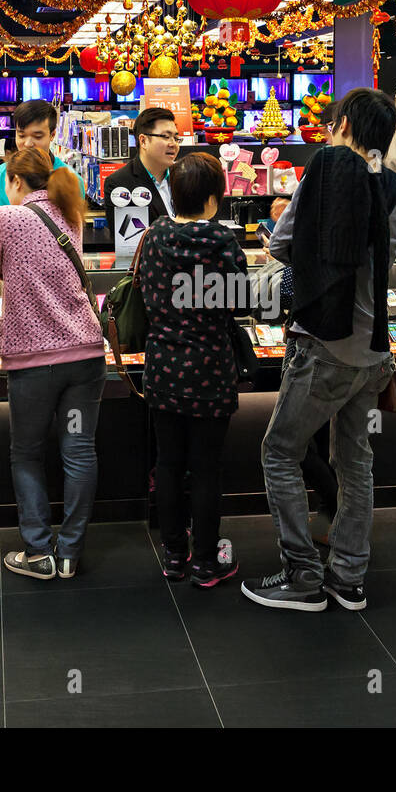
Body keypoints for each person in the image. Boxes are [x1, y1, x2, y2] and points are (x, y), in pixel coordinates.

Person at [240, 88, 396, 614]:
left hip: (323, 346)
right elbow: (389, 252)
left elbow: (280, 243)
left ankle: (302, 575)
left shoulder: (325, 172)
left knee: (279, 451)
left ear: (346, 128)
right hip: (373, 348)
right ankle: (348, 578)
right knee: (354, 458)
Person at [0, 147, 105, 581]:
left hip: (33, 361)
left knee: (27, 452)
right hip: (85, 354)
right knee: (78, 449)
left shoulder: (6, 217)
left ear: (15, 182)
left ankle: (38, 553)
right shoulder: (70, 213)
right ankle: (70, 552)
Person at [139, 152, 247, 587]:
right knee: (205, 468)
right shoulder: (223, 242)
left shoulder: (154, 236)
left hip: (163, 366)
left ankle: (172, 555)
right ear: (212, 198)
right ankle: (205, 560)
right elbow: (239, 303)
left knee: (167, 464)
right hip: (210, 367)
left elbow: (146, 296)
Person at [0, 99, 72, 297]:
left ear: (52, 135)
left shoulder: (69, 179)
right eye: (21, 135)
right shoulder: (0, 175)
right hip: (6, 284)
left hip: (54, 287)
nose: (27, 143)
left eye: (37, 136)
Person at [103, 106, 178, 232]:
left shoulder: (185, 176)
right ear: (143, 141)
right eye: (166, 136)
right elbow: (126, 239)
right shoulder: (119, 184)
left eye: (176, 138)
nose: (173, 144)